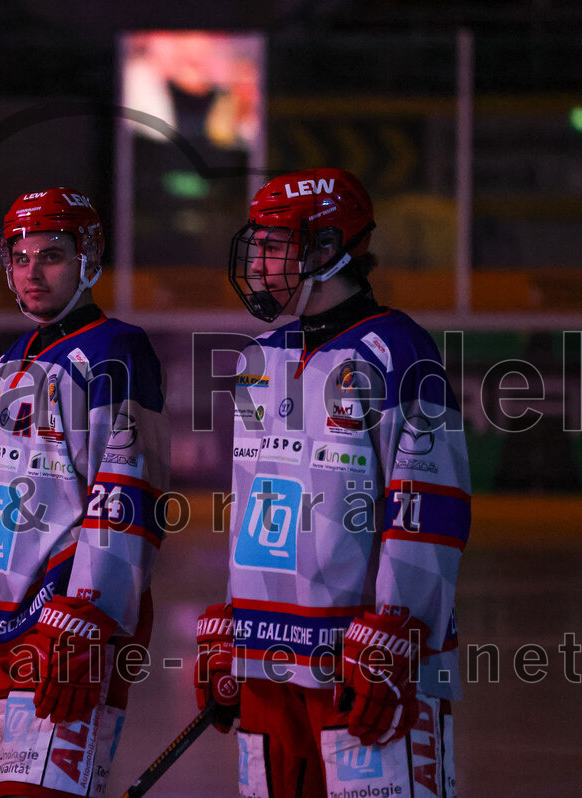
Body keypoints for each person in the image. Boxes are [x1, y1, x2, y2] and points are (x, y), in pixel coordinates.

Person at [194, 169, 469, 798]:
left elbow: (430, 506)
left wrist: (402, 628)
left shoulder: (401, 353)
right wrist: (237, 615)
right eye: (256, 244)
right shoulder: (256, 359)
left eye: (273, 245)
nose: (257, 262)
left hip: (366, 663)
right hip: (267, 658)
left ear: (326, 248)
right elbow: (255, 506)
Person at [0, 188, 170, 797]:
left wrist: (91, 612)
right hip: (2, 619)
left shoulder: (115, 349)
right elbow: (4, 487)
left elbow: (128, 488)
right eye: (20, 258)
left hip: (72, 614)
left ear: (87, 259)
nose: (33, 272)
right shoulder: (10, 362)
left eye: (52, 255)